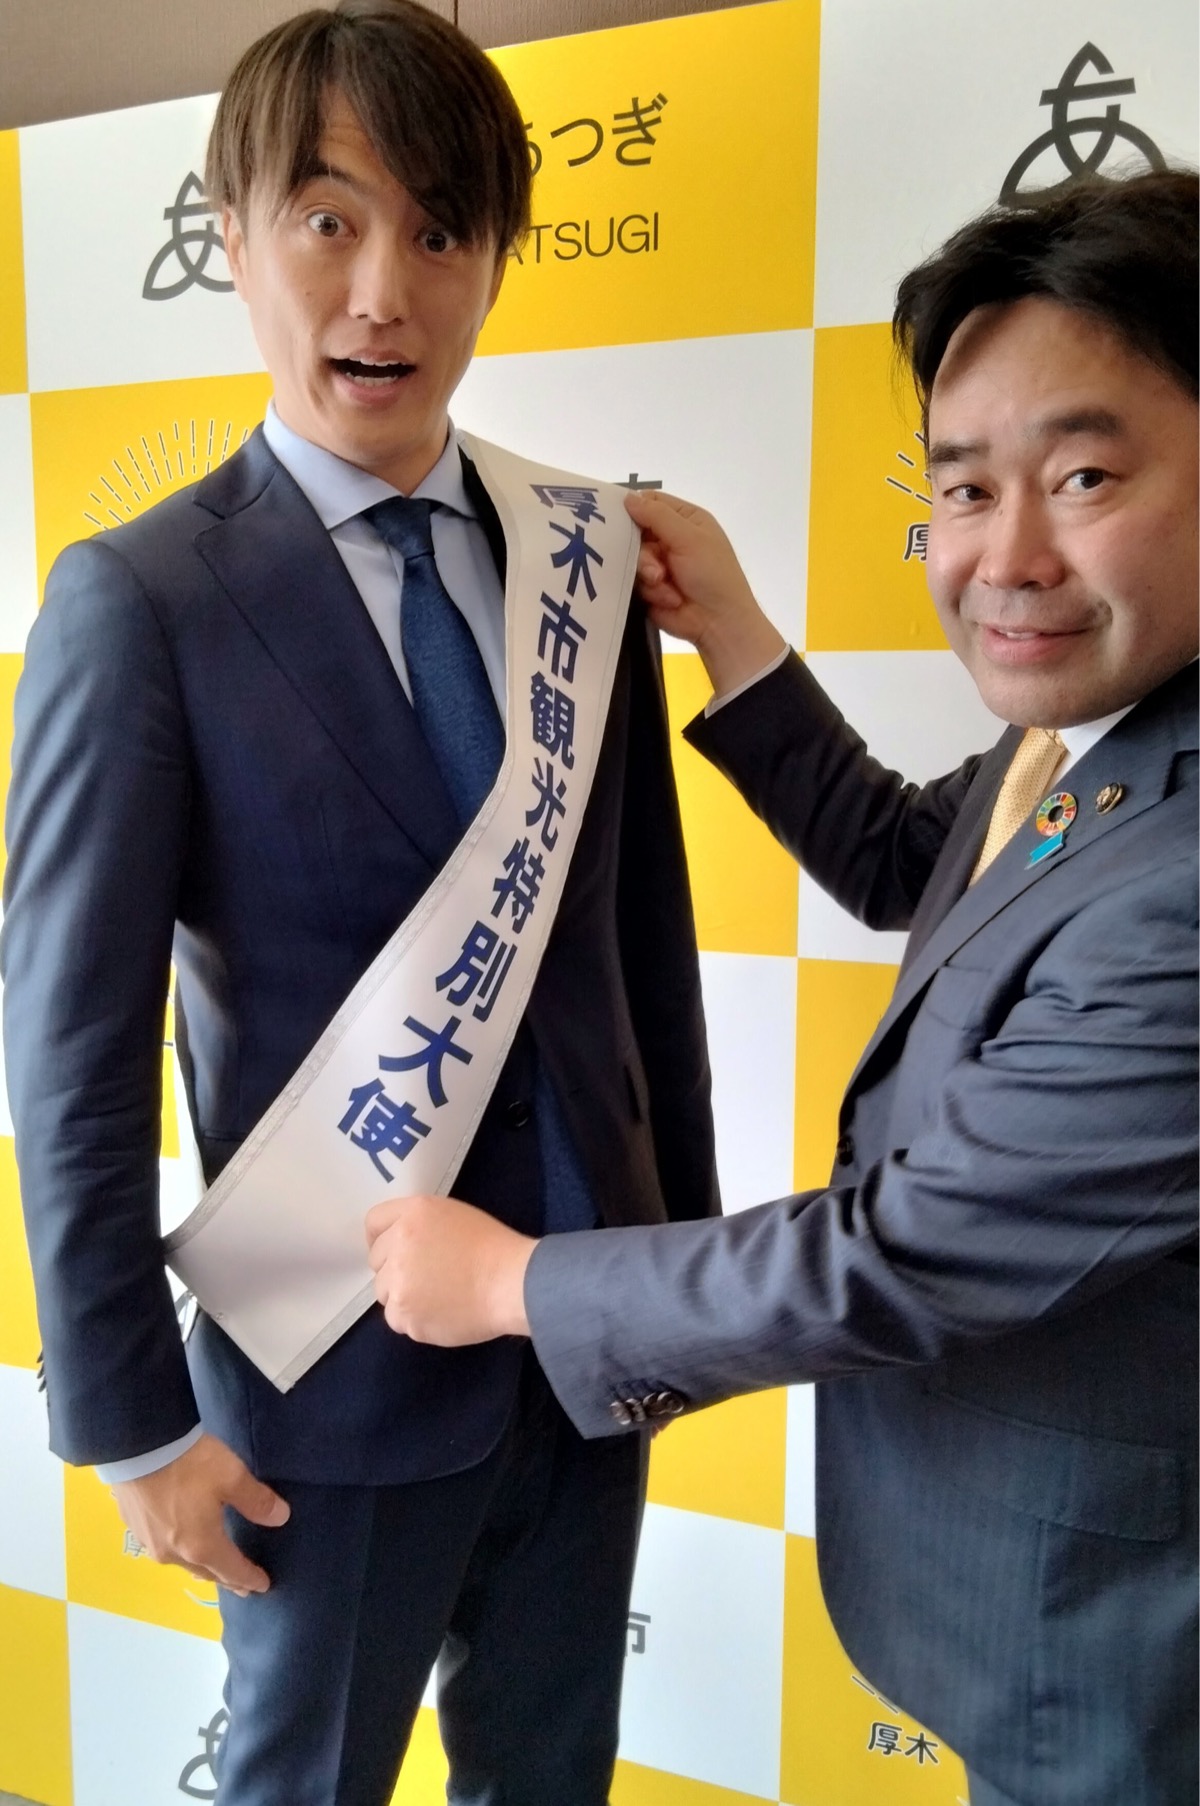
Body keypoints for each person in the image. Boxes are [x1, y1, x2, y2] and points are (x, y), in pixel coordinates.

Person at [366, 170, 1199, 1806]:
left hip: (1120, 1662)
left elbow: (898, 1251)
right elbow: (917, 859)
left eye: (1086, 476)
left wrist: (517, 1285)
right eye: (966, 488)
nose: (1007, 555)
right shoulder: (1109, 735)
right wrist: (735, 633)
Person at [1, 4, 718, 1801]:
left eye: (440, 230)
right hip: (325, 1384)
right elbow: (70, 1049)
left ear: (498, 258)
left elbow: (641, 954)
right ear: (231, 237)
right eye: (326, 219)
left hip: (581, 1340)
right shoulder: (139, 601)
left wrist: (675, 1285)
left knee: (551, 1776)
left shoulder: (584, 561)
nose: (383, 291)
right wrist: (129, 1425)